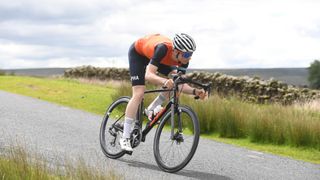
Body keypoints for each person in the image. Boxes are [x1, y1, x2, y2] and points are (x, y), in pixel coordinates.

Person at [120, 33, 207, 152]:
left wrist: (195, 91)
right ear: (176, 51)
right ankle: (125, 137)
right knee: (139, 94)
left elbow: (180, 84)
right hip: (138, 54)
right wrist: (165, 82)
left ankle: (152, 108)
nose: (189, 57)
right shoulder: (163, 48)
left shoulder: (183, 60)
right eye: (187, 54)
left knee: (175, 82)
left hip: (158, 59)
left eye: (191, 54)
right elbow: (148, 75)